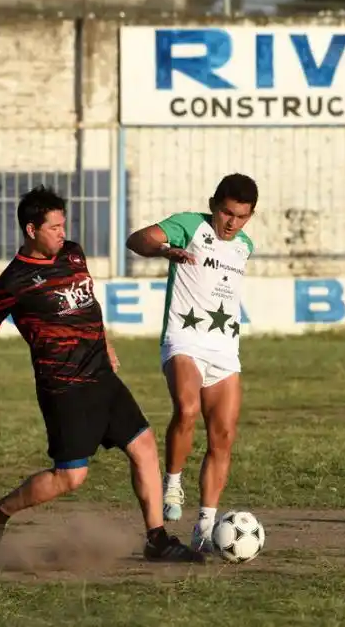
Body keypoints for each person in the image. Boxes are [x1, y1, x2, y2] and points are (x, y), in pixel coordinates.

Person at [0, 185, 202, 564]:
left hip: (102, 376)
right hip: (64, 388)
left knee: (143, 447)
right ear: (31, 230)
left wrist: (104, 343)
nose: (63, 232)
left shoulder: (73, 253)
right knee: (71, 478)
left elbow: (88, 304)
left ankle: (156, 538)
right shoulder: (14, 281)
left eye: (63, 225)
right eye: (54, 227)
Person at [125, 173, 257, 553]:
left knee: (223, 436)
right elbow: (137, 240)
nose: (232, 223)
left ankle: (206, 524)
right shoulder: (189, 225)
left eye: (242, 216)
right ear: (214, 204)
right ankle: (172, 482)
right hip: (183, 339)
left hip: (224, 349)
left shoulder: (244, 246)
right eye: (227, 213)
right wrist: (164, 250)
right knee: (187, 408)